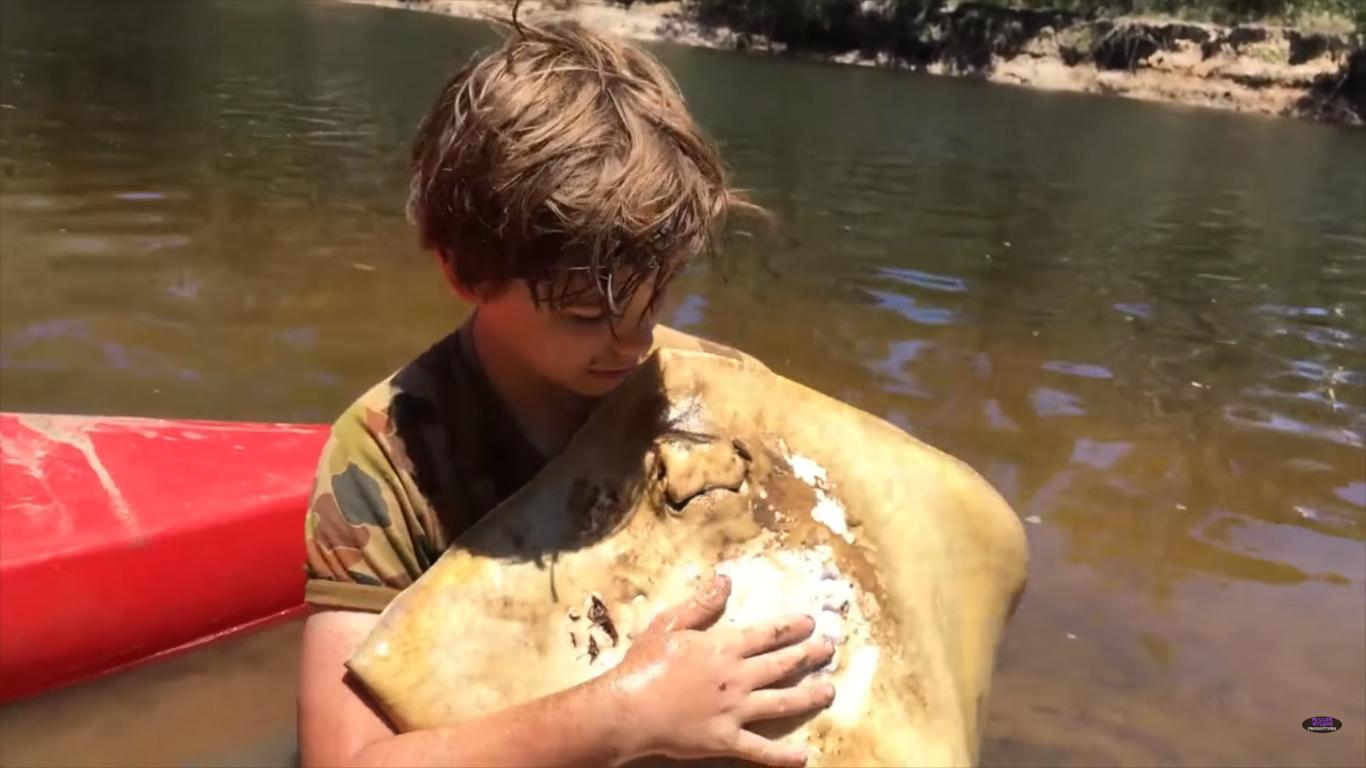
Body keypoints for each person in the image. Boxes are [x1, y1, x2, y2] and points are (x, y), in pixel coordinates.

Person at [297, 17, 837, 768]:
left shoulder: (723, 400)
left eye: (657, 300)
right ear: (462, 271)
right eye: (587, 316)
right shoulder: (390, 455)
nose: (635, 341)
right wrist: (624, 714)